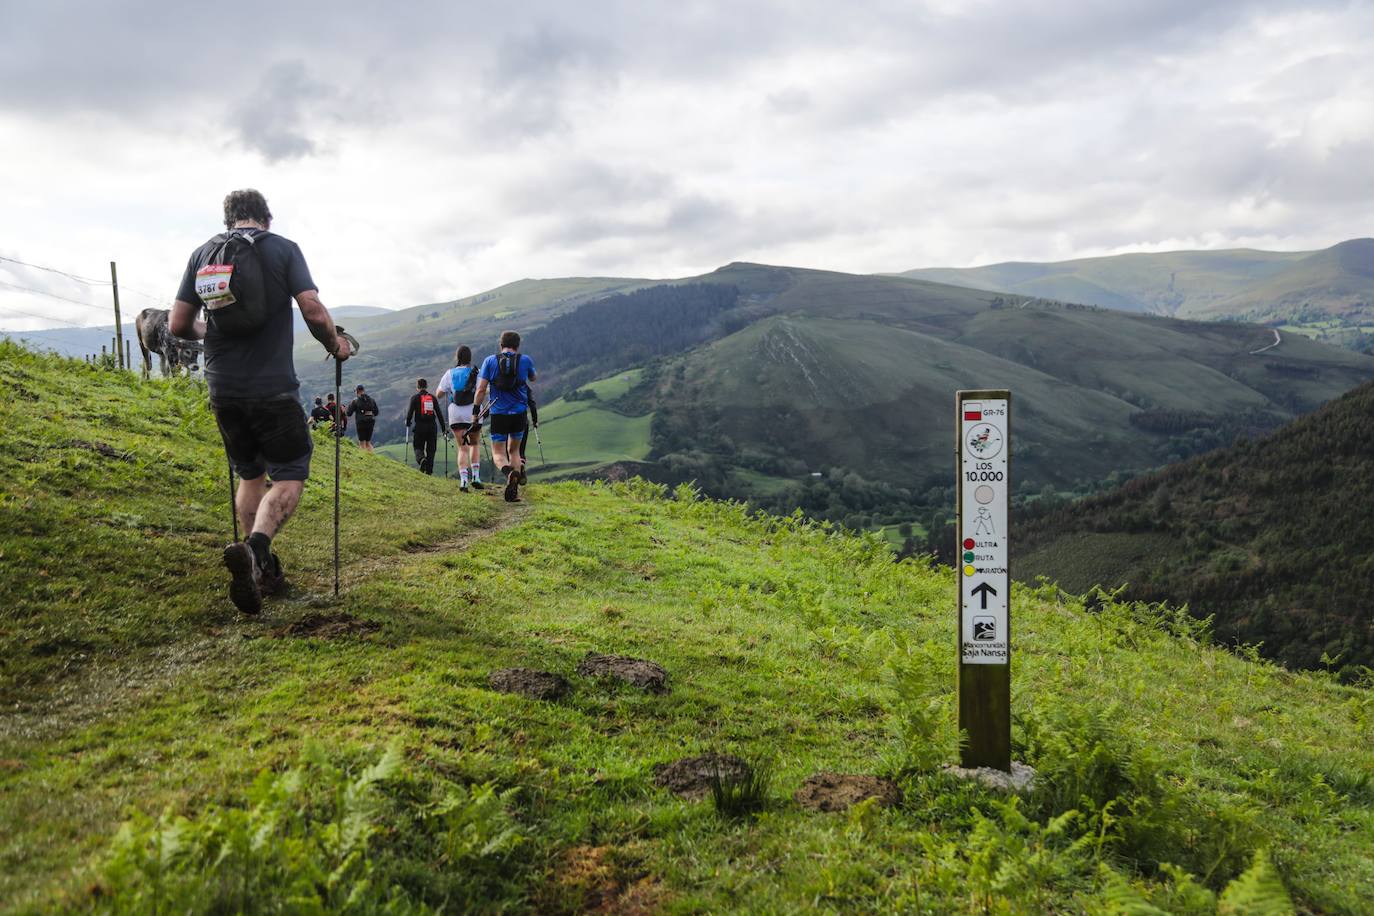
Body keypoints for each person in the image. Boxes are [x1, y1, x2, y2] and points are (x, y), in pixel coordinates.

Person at [170, 188, 351, 615]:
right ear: (265, 218)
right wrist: (336, 343)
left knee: (251, 475)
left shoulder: (204, 255)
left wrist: (211, 332)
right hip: (272, 388)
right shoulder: (284, 250)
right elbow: (312, 310)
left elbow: (178, 323)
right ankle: (256, 549)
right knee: (289, 474)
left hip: (223, 388)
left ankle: (259, 569)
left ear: (229, 218)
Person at [472, 330, 535, 502]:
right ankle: (514, 489)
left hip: (498, 413)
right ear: (518, 345)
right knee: (514, 450)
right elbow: (534, 377)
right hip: (519, 414)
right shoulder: (525, 360)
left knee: (498, 453)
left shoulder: (490, 361)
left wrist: (476, 412)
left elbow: (481, 389)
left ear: (501, 345)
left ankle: (509, 473)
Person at [435, 346, 484, 491]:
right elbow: (482, 390)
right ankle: (476, 476)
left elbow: (438, 394)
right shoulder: (477, 372)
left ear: (457, 357)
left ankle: (463, 481)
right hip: (473, 413)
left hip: (455, 413)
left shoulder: (449, 373)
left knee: (462, 448)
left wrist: (449, 391)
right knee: (474, 444)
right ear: (470, 358)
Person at [406, 378, 442, 475]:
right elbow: (439, 414)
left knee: (418, 446)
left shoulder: (415, 398)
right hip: (432, 427)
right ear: (426, 386)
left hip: (420, 427)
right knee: (431, 449)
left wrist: (408, 422)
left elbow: (409, 413)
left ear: (417, 387)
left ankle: (421, 459)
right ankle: (429, 471)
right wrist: (443, 428)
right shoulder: (432, 398)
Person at [346, 384, 378, 452]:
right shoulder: (372, 400)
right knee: (368, 442)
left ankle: (363, 458)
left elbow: (349, 413)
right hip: (371, 422)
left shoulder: (355, 401)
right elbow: (376, 412)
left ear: (357, 392)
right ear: (363, 390)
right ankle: (372, 457)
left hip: (361, 423)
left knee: (362, 442)